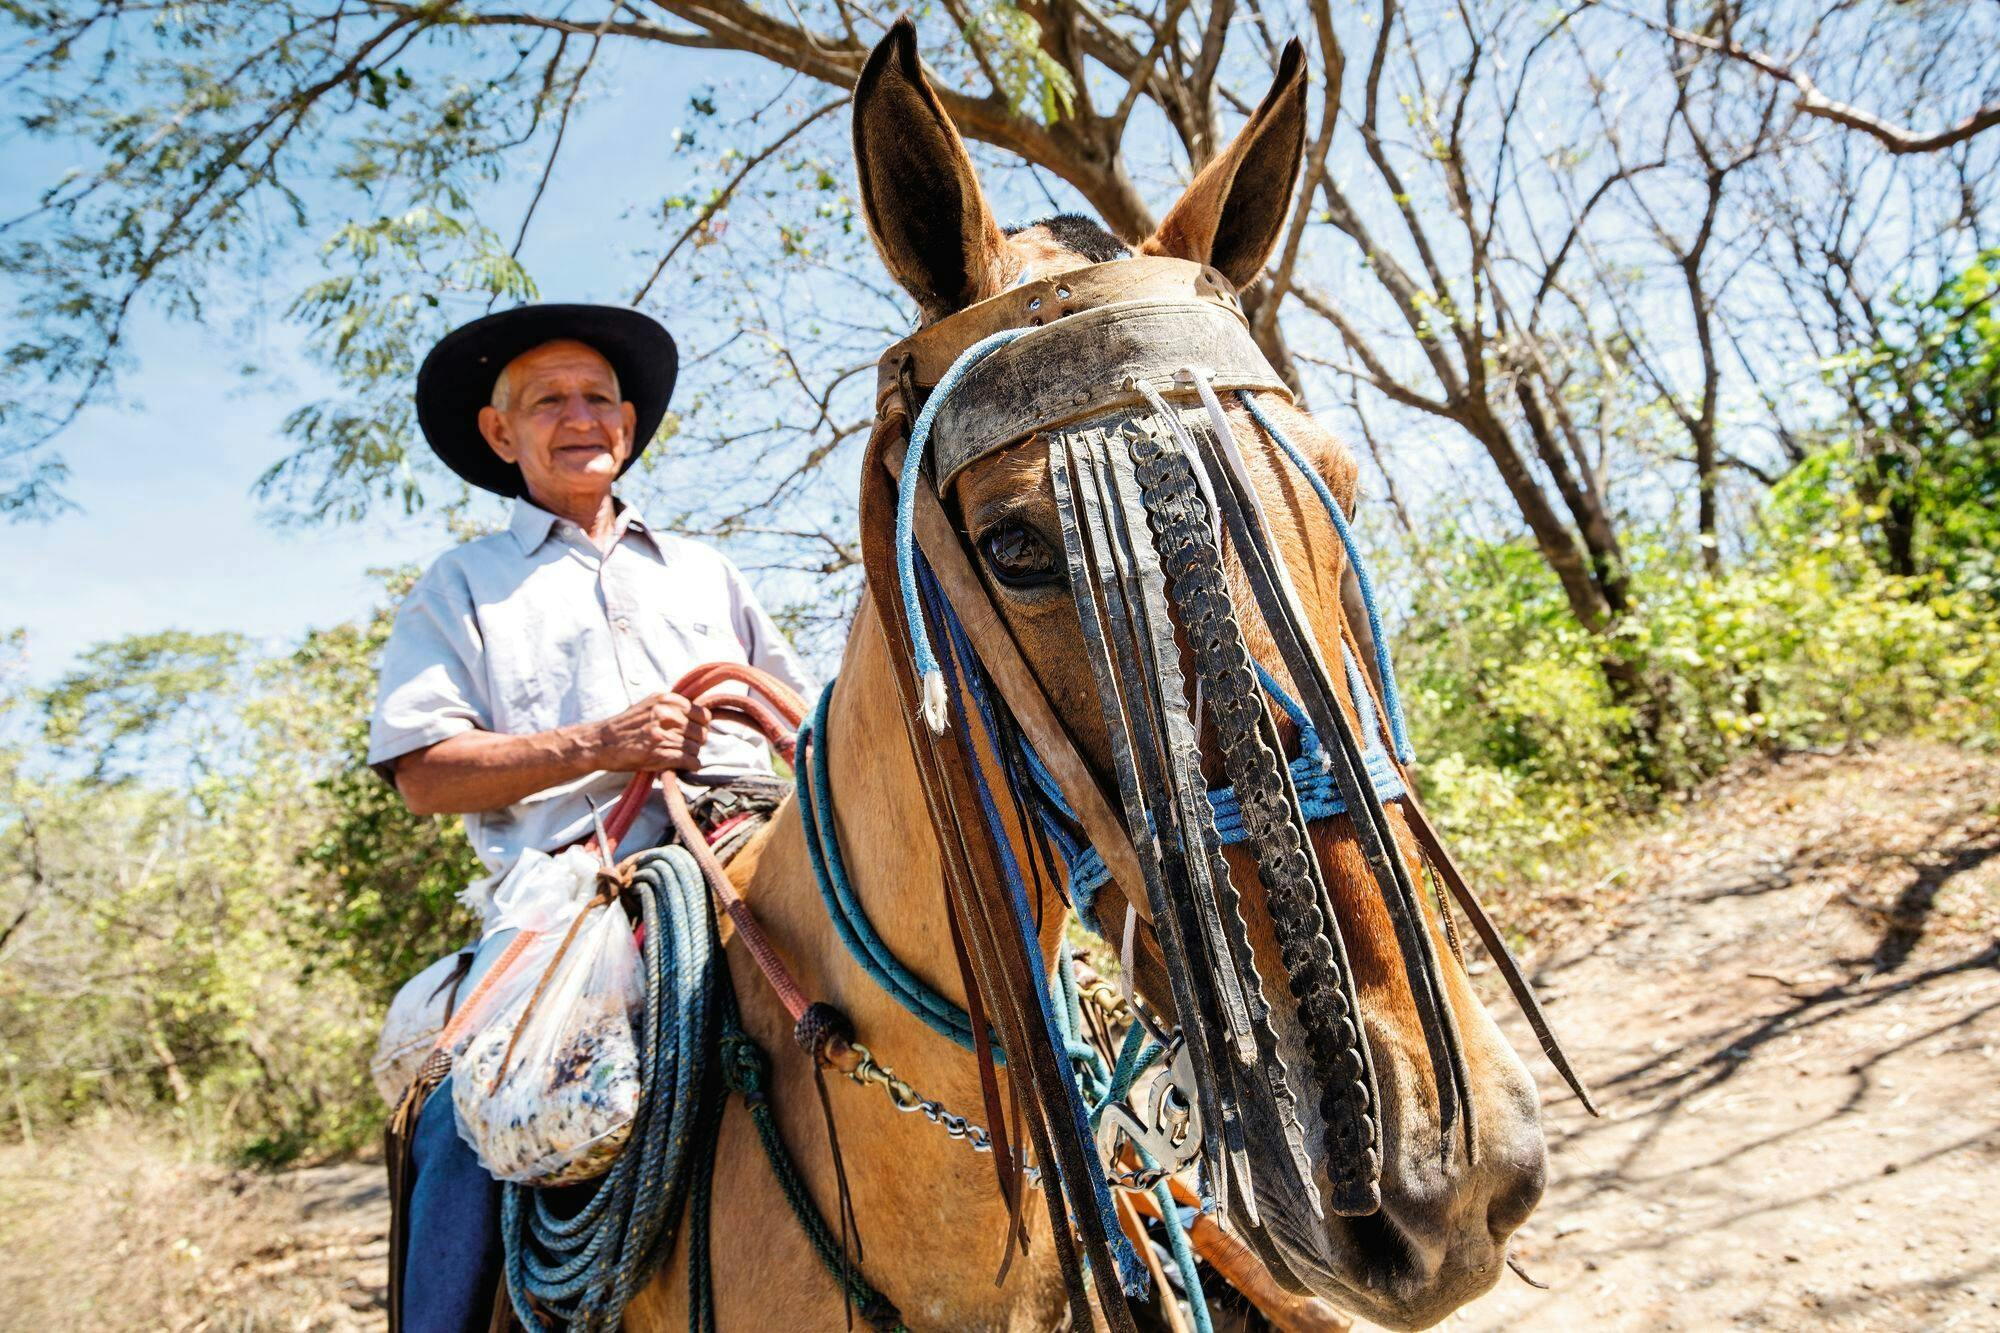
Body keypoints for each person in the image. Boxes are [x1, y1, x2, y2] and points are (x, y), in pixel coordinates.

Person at [368, 304, 812, 1332]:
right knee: (455, 1113)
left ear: (628, 422)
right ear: (499, 433)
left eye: (598, 398)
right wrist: (598, 745)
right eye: (548, 401)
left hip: (754, 843)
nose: (580, 418)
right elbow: (425, 773)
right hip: (572, 895)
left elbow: (800, 719)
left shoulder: (707, 571)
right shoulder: (463, 584)